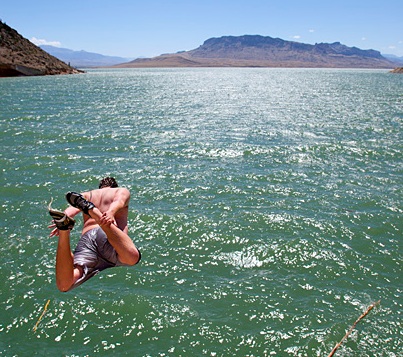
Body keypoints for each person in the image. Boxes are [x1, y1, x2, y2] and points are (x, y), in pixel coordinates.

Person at [48, 177, 141, 292]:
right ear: (114, 185)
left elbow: (70, 211)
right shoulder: (120, 190)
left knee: (65, 285)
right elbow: (119, 202)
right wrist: (110, 213)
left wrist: (63, 220)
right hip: (108, 233)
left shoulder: (87, 195)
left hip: (88, 240)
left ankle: (64, 232)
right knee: (132, 257)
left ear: (100, 186)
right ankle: (96, 214)